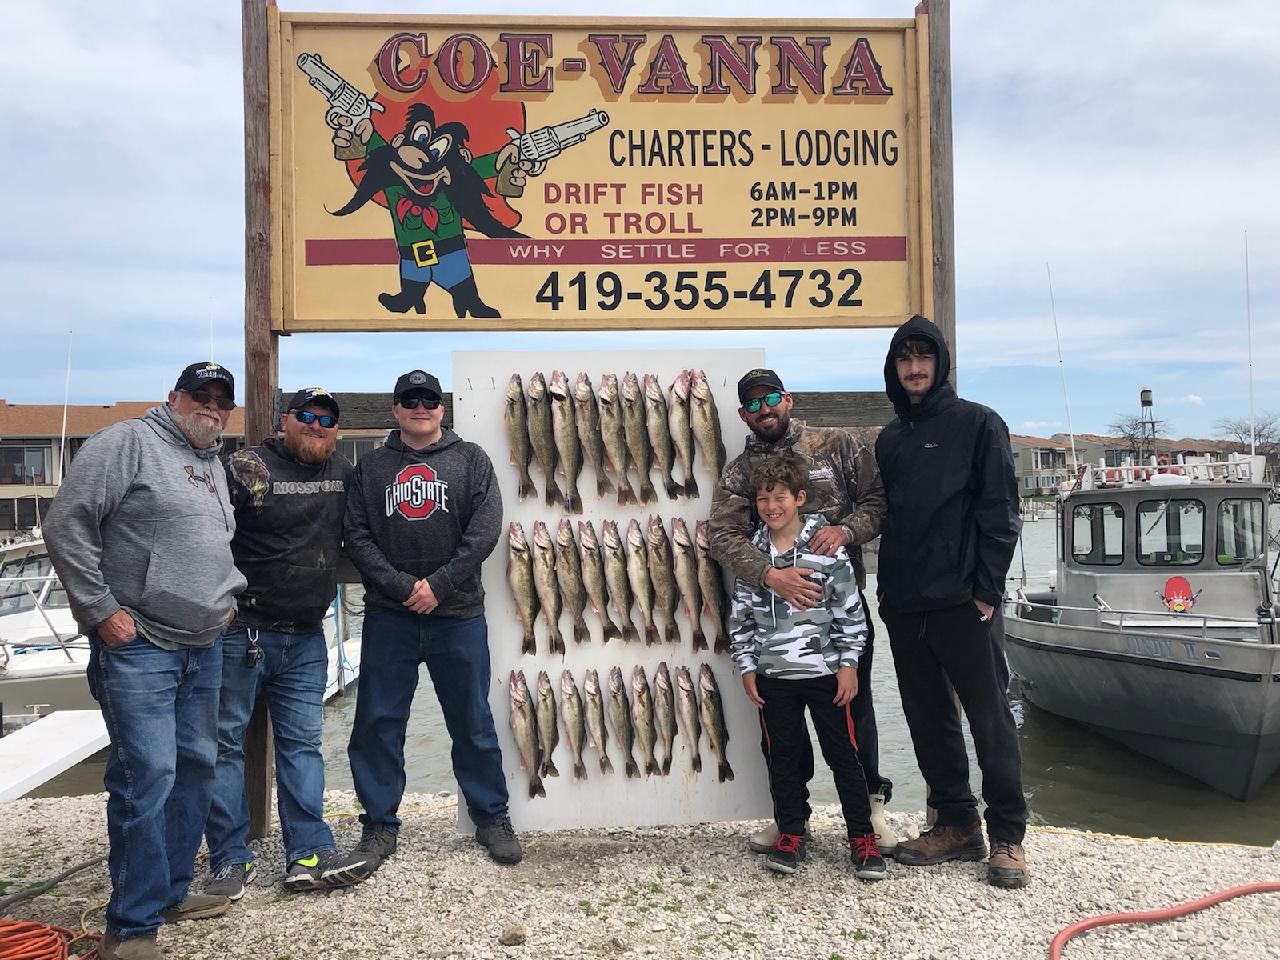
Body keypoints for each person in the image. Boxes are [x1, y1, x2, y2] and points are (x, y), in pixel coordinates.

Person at [43, 362, 248, 960]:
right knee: (146, 778)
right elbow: (66, 525)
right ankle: (130, 929)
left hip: (205, 643)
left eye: (222, 401)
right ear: (173, 397)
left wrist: (223, 600)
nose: (211, 407)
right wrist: (100, 608)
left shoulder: (212, 463)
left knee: (194, 771)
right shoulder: (127, 443)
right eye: (200, 396)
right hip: (140, 648)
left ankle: (169, 893)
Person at [708, 367, 895, 855]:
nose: (763, 409)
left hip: (835, 615)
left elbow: (878, 502)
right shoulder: (738, 472)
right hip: (772, 626)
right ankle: (793, 819)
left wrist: (846, 531)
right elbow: (722, 536)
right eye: (752, 404)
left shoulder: (837, 444)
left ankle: (870, 810)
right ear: (744, 413)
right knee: (783, 730)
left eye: (770, 398)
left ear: (786, 400)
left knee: (853, 711)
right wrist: (770, 576)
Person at [874, 315, 1029, 889]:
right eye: (904, 358)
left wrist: (988, 592)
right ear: (894, 368)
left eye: (924, 357)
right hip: (905, 603)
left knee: (990, 721)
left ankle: (1008, 834)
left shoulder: (980, 424)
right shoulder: (890, 438)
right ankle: (958, 823)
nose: (914, 367)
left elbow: (1001, 515)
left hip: (967, 604)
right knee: (927, 718)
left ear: (940, 364)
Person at [344, 370, 521, 866]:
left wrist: (438, 586)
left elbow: (485, 531)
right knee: (377, 721)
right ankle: (378, 824)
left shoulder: (471, 460)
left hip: (458, 614)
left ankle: (490, 816)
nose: (420, 407)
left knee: (473, 721)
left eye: (429, 400)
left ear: (442, 409)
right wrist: (405, 588)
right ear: (395, 409)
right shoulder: (372, 468)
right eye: (410, 400)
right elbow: (356, 537)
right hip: (390, 615)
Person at [204, 388, 375, 898]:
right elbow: (205, 532)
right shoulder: (247, 466)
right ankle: (229, 858)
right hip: (241, 633)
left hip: (306, 637)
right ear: (285, 420)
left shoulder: (343, 472)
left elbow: (362, 534)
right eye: (306, 415)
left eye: (326, 419)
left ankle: (309, 850)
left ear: (337, 429)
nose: (316, 424)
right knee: (223, 747)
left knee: (303, 747)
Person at [728, 455, 886, 880]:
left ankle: (861, 836)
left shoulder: (827, 549)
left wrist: (849, 664)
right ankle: (793, 831)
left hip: (826, 676)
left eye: (779, 497)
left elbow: (850, 612)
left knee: (844, 756)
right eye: (762, 499)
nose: (770, 506)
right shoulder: (753, 556)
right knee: (783, 757)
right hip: (773, 677)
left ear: (799, 498)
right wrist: (746, 666)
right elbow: (740, 618)